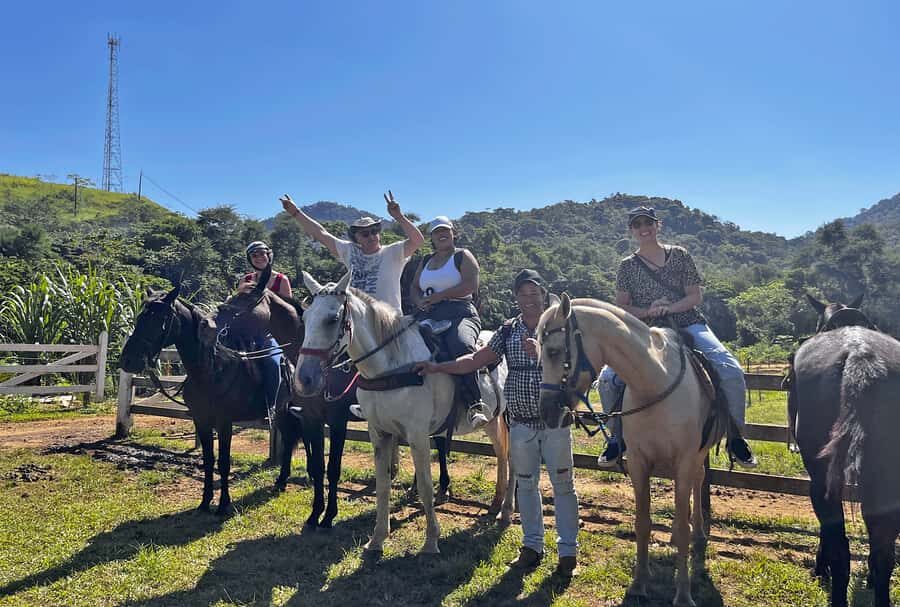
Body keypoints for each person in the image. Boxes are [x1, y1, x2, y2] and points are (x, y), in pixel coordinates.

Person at [416, 269, 579, 577]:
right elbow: (475, 360)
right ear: (515, 297)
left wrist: (542, 352)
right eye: (523, 294)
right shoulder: (508, 330)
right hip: (519, 422)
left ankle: (568, 553)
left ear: (544, 295)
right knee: (527, 487)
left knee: (563, 487)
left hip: (556, 420)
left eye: (535, 294)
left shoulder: (560, 325)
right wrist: (437, 366)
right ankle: (531, 547)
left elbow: (576, 366)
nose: (529, 300)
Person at [596, 206, 758, 468]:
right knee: (607, 379)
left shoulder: (680, 255)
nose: (643, 228)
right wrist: (649, 311)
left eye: (647, 222)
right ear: (632, 230)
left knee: (730, 369)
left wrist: (669, 308)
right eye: (637, 224)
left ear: (657, 225)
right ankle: (617, 437)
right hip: (645, 330)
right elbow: (622, 306)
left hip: (687, 323)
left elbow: (695, 296)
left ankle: (735, 436)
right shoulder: (627, 266)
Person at [279, 191, 424, 311]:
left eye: (374, 231)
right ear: (356, 238)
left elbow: (418, 241)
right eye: (365, 234)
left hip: (389, 323)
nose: (371, 236)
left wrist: (399, 216)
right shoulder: (349, 251)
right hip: (359, 324)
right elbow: (321, 233)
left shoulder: (393, 252)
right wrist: (296, 213)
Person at [409, 216, 489, 429]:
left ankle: (474, 404)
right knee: (399, 339)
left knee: (461, 344)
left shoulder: (462, 256)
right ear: (432, 237)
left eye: (445, 230)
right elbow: (414, 287)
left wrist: (440, 296)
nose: (441, 234)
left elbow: (471, 284)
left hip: (460, 312)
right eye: (436, 232)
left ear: (454, 233)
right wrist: (419, 302)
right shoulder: (426, 260)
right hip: (428, 314)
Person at [235, 241, 293, 416]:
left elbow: (287, 312)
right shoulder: (245, 280)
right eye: (255, 255)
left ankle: (273, 407)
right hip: (246, 333)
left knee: (272, 362)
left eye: (262, 254)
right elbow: (238, 308)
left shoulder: (281, 280)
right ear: (250, 259)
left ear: (269, 255)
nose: (259, 258)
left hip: (270, 333)